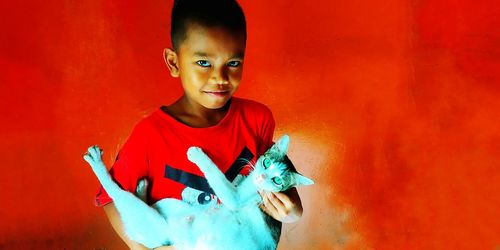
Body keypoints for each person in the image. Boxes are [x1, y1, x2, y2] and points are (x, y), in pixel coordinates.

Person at [95, 0, 304, 249]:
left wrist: (293, 208)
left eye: (233, 63)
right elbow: (110, 198)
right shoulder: (150, 135)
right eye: (204, 63)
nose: (220, 78)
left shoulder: (257, 119)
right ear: (174, 63)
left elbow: (274, 165)